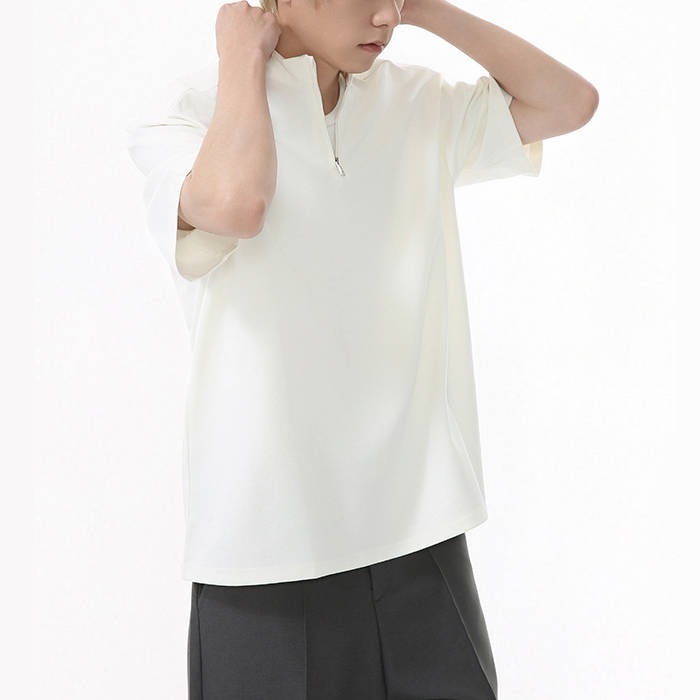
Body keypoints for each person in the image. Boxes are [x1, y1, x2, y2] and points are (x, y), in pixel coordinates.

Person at [125, 1, 598, 698]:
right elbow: (235, 206)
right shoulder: (191, 114)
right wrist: (242, 58)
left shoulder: (414, 102)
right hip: (266, 554)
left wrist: (428, 11)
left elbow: (569, 102)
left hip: (418, 534)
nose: (384, 15)